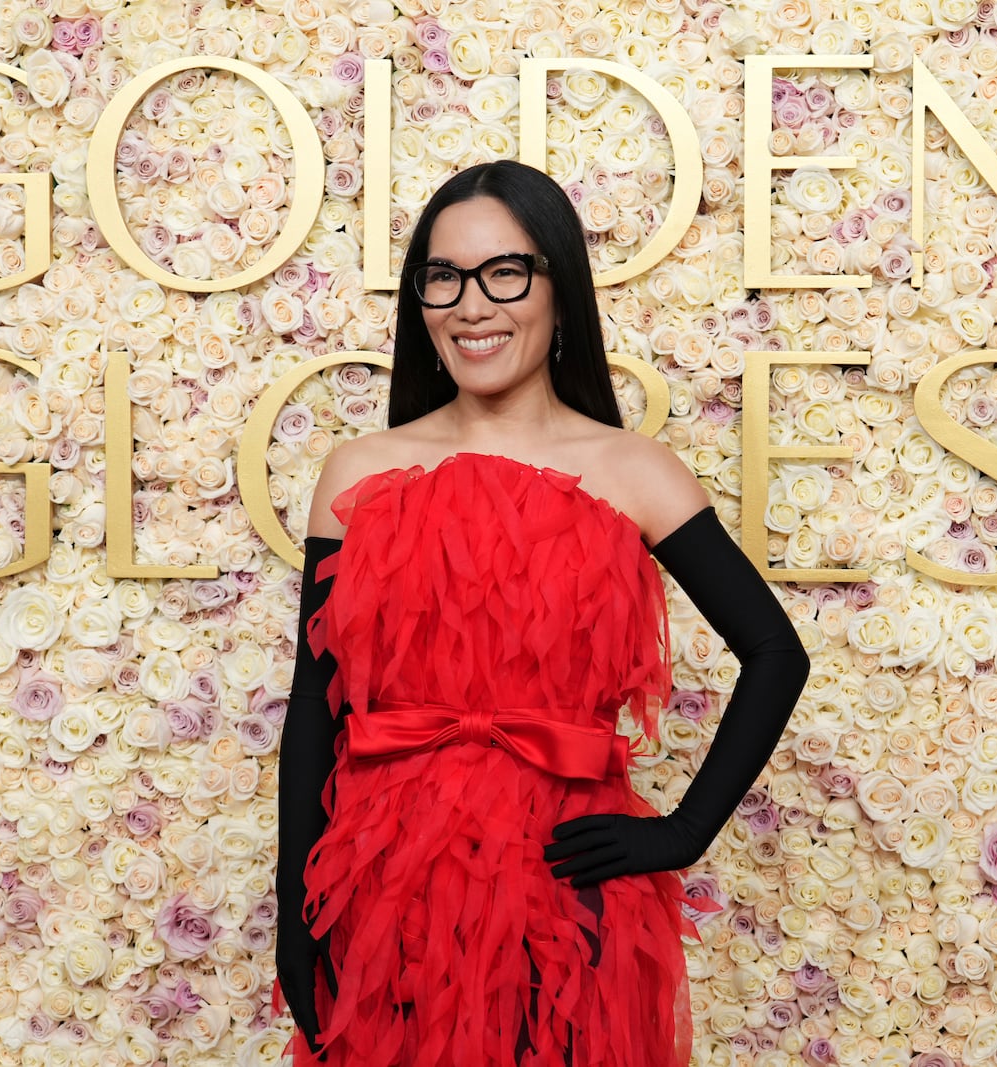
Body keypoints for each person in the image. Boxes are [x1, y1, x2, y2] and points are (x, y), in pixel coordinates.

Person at [275, 160, 810, 1066]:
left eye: (505, 273)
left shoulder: (634, 470)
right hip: (385, 895)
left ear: (561, 290)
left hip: (570, 893)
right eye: (443, 277)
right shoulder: (357, 469)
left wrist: (682, 831)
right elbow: (313, 701)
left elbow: (773, 651)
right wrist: (299, 908)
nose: (472, 305)